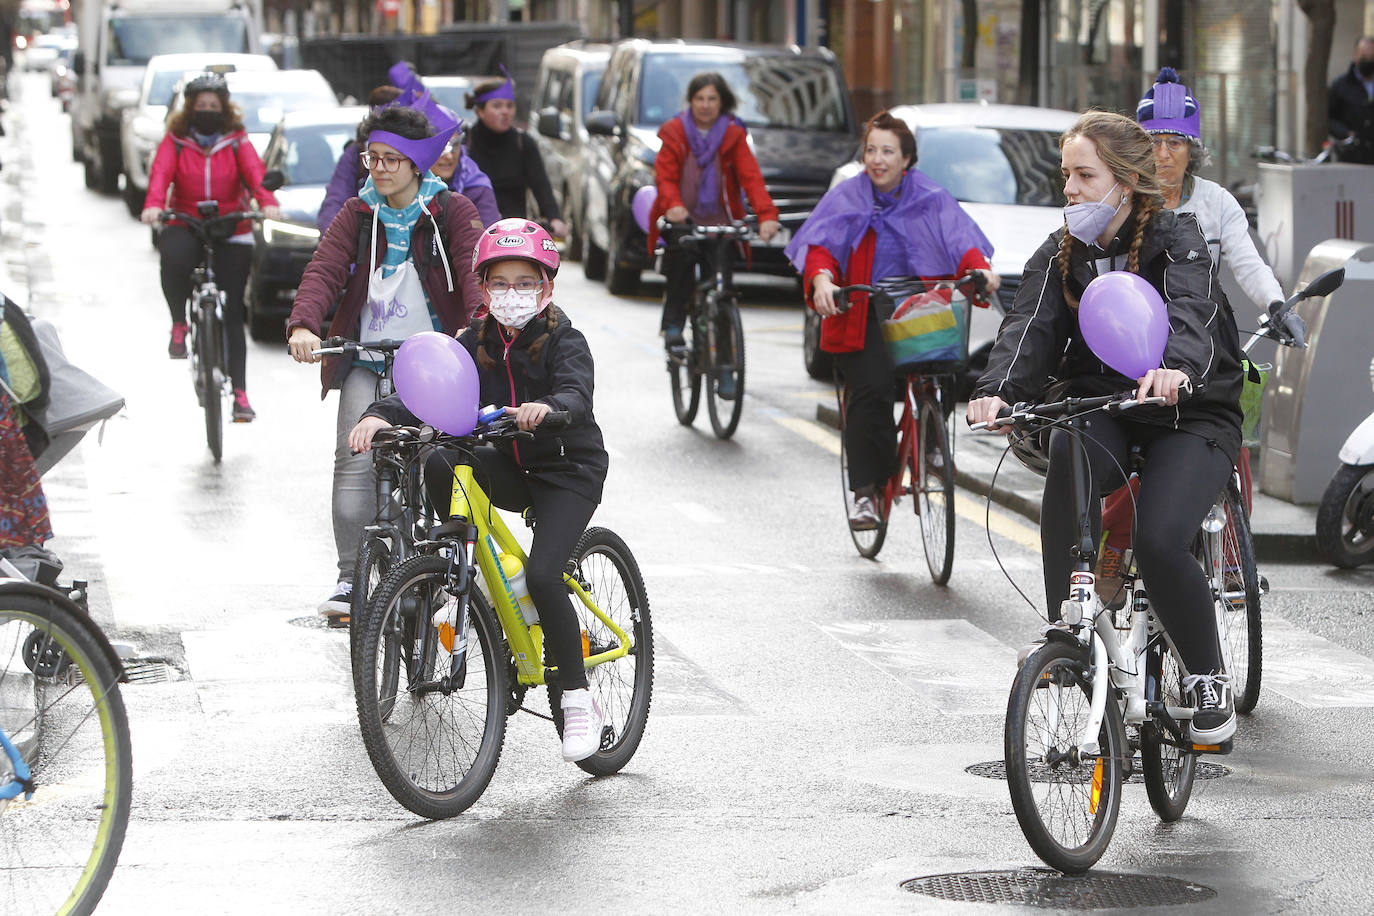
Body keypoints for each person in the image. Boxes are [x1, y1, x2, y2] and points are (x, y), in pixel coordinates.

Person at [967, 110, 1245, 745]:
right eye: (1065, 173)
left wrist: (1177, 368)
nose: (1069, 188)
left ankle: (1207, 676)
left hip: (1188, 409)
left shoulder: (1180, 238)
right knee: (1070, 450)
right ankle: (1069, 625)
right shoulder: (1063, 250)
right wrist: (996, 394)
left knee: (1162, 540)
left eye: (1083, 175)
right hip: (1108, 401)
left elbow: (1193, 310)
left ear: (1124, 182)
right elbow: (1028, 329)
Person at [348, 218, 610, 763]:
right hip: (508, 464)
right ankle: (463, 571)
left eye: (524, 283)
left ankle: (578, 698)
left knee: (543, 575)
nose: (511, 295)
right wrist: (378, 415)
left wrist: (551, 410)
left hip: (566, 470)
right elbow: (427, 392)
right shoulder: (474, 341)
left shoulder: (566, 340)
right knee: (442, 457)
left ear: (547, 287)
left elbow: (575, 393)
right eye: (499, 283)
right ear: (483, 287)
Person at [1091, 68, 1304, 604]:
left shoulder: (1215, 203)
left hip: (1205, 339)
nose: (1164, 156)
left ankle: (1233, 553)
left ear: (1194, 151)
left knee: (1227, 440)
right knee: (1128, 439)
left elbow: (1249, 264)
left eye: (1176, 144)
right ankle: (1115, 543)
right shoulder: (1124, 198)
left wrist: (1277, 305)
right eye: (1154, 143)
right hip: (1134, 342)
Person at [286, 97, 483, 622]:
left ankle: (437, 566)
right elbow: (324, 270)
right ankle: (352, 577)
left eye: (390, 159)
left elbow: (471, 271)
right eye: (372, 158)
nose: (379, 168)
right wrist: (305, 323)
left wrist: (474, 324)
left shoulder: (452, 211)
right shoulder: (359, 212)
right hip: (367, 359)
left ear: (416, 163)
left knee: (441, 462)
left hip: (434, 364)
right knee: (352, 466)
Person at [786, 110, 996, 530]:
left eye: (887, 151)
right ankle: (866, 494)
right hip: (864, 309)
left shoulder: (929, 197)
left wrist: (981, 269)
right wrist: (823, 281)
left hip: (919, 308)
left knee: (949, 364)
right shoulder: (848, 196)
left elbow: (960, 242)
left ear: (907, 159)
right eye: (871, 150)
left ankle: (933, 439)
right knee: (871, 393)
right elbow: (821, 249)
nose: (877, 159)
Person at [140, 71, 281, 422]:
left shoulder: (236, 140)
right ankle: (179, 324)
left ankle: (240, 394)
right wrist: (154, 204)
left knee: (233, 313)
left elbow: (255, 173)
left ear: (224, 108)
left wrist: (266, 201)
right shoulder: (175, 140)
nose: (206, 110)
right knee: (173, 259)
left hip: (231, 223)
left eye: (213, 105)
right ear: (190, 108)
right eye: (200, 105)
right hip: (186, 219)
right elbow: (160, 175)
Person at [648, 72, 781, 369]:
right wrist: (674, 206)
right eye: (700, 99)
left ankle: (726, 365)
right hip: (683, 220)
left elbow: (752, 179)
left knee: (722, 288)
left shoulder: (733, 135)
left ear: (722, 103)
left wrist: (767, 216)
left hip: (721, 223)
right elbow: (665, 177)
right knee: (680, 272)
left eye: (712, 99)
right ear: (691, 101)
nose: (706, 105)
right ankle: (672, 330)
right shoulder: (674, 132)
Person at [317, 70, 499, 233]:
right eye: (373, 158)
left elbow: (480, 248)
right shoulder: (366, 201)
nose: (381, 168)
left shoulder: (466, 199)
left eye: (455, 145)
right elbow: (332, 241)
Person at [463, 67, 567, 236]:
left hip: (516, 233)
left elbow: (540, 184)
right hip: (475, 231)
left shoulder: (523, 142)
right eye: (497, 106)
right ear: (480, 111)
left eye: (509, 106)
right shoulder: (466, 142)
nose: (505, 112)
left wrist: (554, 217)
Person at [1328, 36, 1374, 165]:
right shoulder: (1341, 85)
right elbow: (1329, 118)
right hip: (1350, 158)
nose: (1368, 61)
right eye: (1364, 57)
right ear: (1355, 56)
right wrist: (1346, 134)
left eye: (1372, 57)